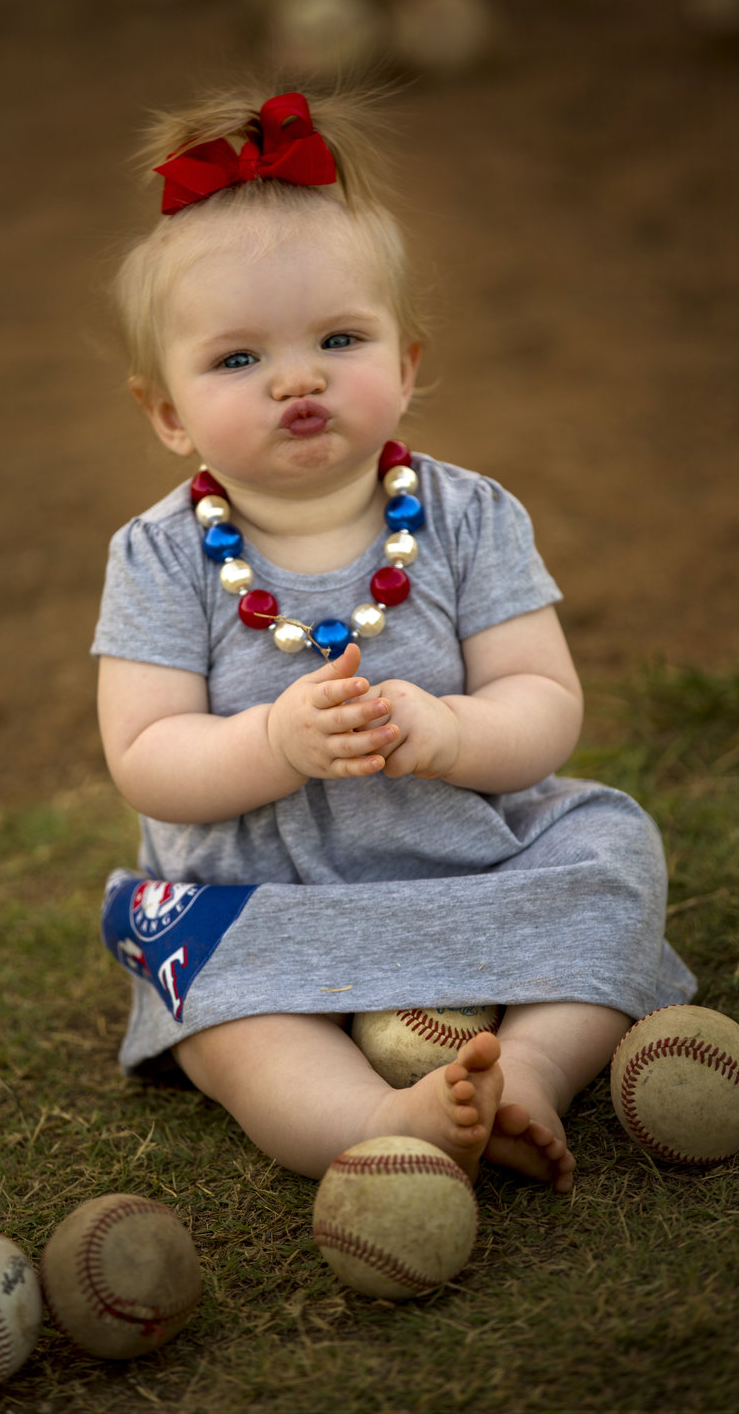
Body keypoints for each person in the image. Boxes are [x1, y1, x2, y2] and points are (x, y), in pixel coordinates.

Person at [92, 86, 696, 1193]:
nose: (296, 377)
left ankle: (526, 1070)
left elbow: (543, 702)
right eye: (236, 360)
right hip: (268, 897)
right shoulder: (158, 557)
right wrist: (272, 743)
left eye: (338, 338)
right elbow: (145, 758)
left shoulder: (472, 519)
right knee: (229, 1021)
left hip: (472, 855)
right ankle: (376, 1123)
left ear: (407, 363)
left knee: (614, 855)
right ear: (165, 412)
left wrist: (452, 730)